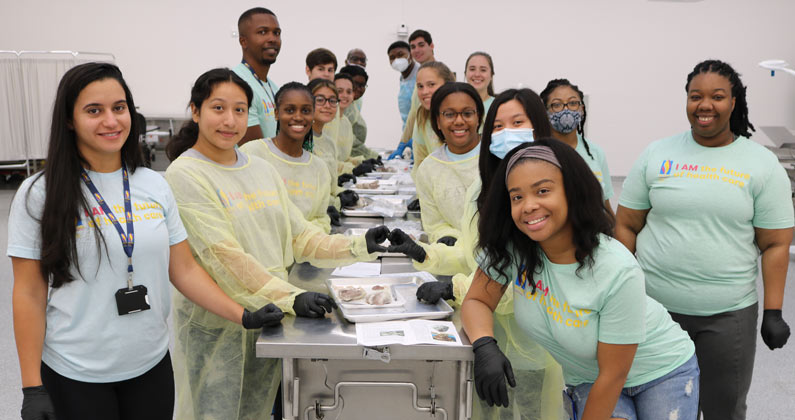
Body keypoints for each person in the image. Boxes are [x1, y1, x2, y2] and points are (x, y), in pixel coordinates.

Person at [8, 62, 284, 420]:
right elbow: (28, 293)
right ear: (69, 119)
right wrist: (33, 387)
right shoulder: (39, 193)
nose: (111, 121)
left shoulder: (153, 185)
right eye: (95, 110)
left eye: (119, 108)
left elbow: (183, 269)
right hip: (75, 372)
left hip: (150, 365)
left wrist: (242, 315)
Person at [163, 68, 389, 420]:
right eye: (218, 108)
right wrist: (289, 297)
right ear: (195, 111)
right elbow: (224, 257)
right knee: (214, 412)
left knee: (256, 410)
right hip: (219, 324)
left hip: (267, 315)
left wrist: (361, 245)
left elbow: (300, 236)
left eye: (240, 110)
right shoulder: (185, 173)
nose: (230, 120)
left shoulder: (259, 168)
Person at [463, 139, 699, 419]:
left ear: (572, 192)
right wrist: (484, 344)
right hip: (588, 376)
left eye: (542, 191)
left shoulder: (616, 268)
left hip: (661, 370)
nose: (528, 206)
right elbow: (477, 299)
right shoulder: (516, 247)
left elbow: (613, 375)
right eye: (517, 197)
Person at [616, 59, 794, 420]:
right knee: (660, 410)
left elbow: (775, 243)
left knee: (722, 410)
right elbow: (626, 226)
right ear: (686, 101)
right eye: (696, 96)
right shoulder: (657, 154)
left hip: (727, 317)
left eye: (717, 96)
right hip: (655, 312)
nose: (705, 105)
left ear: (734, 102)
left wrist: (774, 311)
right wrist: (621, 289)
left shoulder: (760, 164)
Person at [389, 89, 568, 420]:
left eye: (517, 122)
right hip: (485, 326)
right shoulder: (486, 186)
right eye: (498, 126)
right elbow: (475, 254)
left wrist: (457, 288)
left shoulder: (550, 191)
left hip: (533, 337)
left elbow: (531, 274)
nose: (506, 133)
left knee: (532, 411)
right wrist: (425, 253)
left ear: (537, 126)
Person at [240, 82, 339, 233]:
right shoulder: (252, 154)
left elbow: (320, 220)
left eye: (305, 111)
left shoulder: (319, 169)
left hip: (303, 254)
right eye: (290, 110)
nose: (298, 117)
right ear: (276, 113)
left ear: (312, 115)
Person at [413, 82, 483, 245]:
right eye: (449, 114)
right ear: (437, 121)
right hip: (453, 259)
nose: (459, 121)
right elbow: (435, 224)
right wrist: (449, 239)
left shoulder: (496, 157)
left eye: (467, 113)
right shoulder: (428, 169)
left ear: (478, 117)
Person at [540, 79, 614, 218]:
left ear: (582, 108)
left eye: (573, 103)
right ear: (545, 111)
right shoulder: (537, 152)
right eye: (557, 104)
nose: (566, 109)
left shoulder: (595, 152)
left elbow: (605, 205)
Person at [232, 7, 281, 144]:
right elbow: (254, 150)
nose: (272, 39)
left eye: (276, 33)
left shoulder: (273, 87)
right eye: (263, 32)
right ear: (243, 41)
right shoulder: (237, 83)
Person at [411, 61, 456, 177]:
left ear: (447, 84)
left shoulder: (462, 114)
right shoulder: (422, 116)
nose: (425, 92)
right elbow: (420, 162)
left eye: (431, 84)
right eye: (420, 86)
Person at [340, 65, 379, 159]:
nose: (359, 88)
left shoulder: (352, 104)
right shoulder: (340, 107)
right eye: (355, 83)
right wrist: (371, 155)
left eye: (362, 85)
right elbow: (348, 140)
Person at [333, 73, 365, 169]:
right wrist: (352, 169)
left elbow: (344, 158)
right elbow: (327, 162)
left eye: (349, 92)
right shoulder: (327, 123)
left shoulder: (346, 123)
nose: (345, 95)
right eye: (340, 91)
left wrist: (359, 162)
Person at [388, 40, 420, 127]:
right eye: (392, 57)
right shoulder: (403, 78)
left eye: (400, 55)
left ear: (411, 55)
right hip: (409, 129)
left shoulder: (421, 74)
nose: (396, 60)